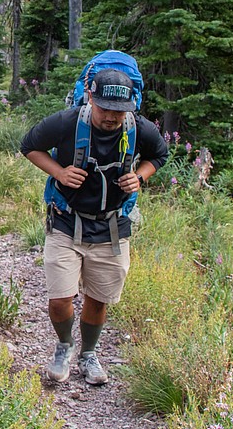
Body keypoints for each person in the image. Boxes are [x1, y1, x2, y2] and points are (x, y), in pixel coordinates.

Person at [19, 68, 168, 385]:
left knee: (98, 299)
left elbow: (159, 154)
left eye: (119, 111)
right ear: (90, 98)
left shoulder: (138, 128)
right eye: (104, 108)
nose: (112, 117)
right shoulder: (67, 122)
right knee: (60, 298)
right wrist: (59, 173)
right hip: (65, 221)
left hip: (111, 228)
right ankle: (64, 346)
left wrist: (139, 177)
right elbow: (30, 145)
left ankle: (89, 353)